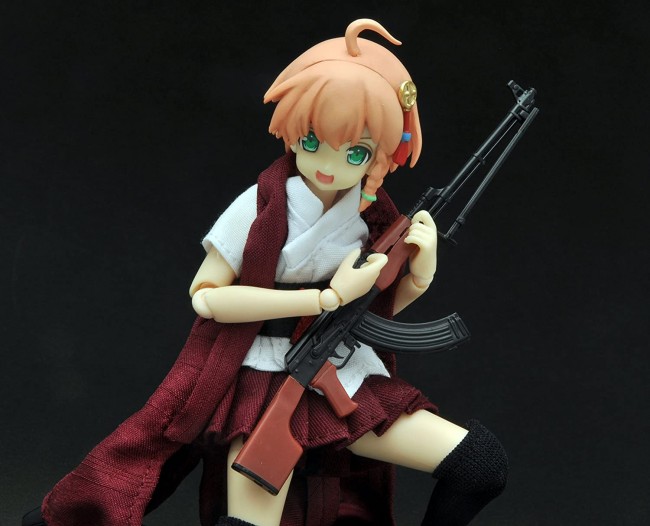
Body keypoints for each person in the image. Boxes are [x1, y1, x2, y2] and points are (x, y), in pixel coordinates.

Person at [24, 19, 507, 526]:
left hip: (341, 379)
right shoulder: (259, 207)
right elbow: (207, 296)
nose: (328, 163)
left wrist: (420, 273)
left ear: (381, 157)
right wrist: (322, 299)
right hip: (261, 383)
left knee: (480, 465)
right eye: (313, 141)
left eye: (355, 152)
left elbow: (374, 313)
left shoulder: (370, 219)